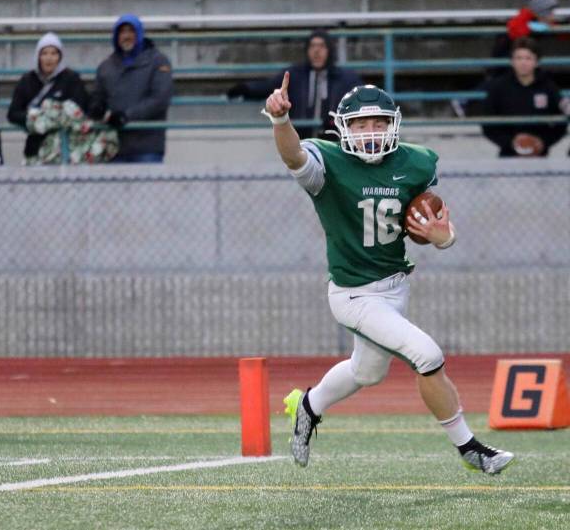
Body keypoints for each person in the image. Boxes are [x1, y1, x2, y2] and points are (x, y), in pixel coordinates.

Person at [263, 78, 514, 476]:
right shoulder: (328, 165)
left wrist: (442, 238)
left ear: (393, 124)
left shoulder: (416, 163)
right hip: (353, 294)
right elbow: (293, 155)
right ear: (343, 128)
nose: (370, 133)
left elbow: (440, 230)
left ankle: (307, 407)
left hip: (396, 286)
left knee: (367, 372)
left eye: (377, 123)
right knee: (426, 354)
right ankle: (470, 449)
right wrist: (280, 120)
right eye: (360, 125)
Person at [227, 29, 362, 139]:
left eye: (321, 46)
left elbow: (361, 100)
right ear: (307, 50)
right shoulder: (295, 75)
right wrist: (245, 89)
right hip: (300, 142)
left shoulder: (345, 78)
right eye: (312, 46)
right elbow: (269, 87)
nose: (316, 51)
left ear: (329, 50)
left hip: (333, 142)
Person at [89, 14, 173, 163]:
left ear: (139, 33)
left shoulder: (158, 61)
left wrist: (127, 116)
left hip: (147, 146)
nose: (126, 36)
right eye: (122, 32)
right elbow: (97, 95)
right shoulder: (106, 66)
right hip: (113, 147)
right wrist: (97, 108)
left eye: (131, 31)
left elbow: (160, 99)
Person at [8, 32, 92, 162]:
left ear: (60, 56)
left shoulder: (72, 79)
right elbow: (13, 113)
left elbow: (80, 109)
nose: (49, 58)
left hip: (66, 150)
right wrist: (37, 118)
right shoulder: (27, 80)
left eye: (54, 53)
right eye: (45, 53)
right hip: (35, 147)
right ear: (38, 56)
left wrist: (54, 116)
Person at [476, 37, 567, 157]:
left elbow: (561, 122)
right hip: (507, 156)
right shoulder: (498, 87)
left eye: (528, 58)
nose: (523, 62)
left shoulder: (549, 87)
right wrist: (510, 143)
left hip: (541, 158)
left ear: (537, 62)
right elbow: (487, 124)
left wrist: (543, 142)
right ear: (512, 61)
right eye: (518, 58)